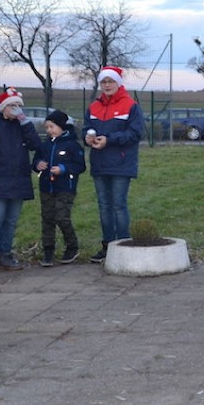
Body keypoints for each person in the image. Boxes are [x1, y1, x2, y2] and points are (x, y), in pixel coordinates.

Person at [0, 88, 41, 275]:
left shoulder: (22, 126)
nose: (16, 109)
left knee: (11, 220)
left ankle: (4, 254)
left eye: (19, 106)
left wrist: (25, 123)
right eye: (12, 105)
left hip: (18, 179)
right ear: (3, 107)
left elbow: (36, 145)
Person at [83, 66, 144, 263]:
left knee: (118, 205)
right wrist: (88, 137)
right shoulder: (93, 107)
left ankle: (123, 245)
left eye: (110, 81)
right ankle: (108, 245)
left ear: (118, 83)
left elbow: (135, 134)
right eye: (104, 82)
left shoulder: (131, 106)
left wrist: (109, 140)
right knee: (103, 206)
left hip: (121, 163)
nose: (107, 85)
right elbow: (86, 128)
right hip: (99, 163)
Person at [32, 111, 86, 266]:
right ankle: (48, 250)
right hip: (46, 187)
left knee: (62, 217)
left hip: (65, 188)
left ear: (62, 127)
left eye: (52, 126)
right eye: (47, 127)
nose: (49, 130)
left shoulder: (72, 145)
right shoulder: (45, 145)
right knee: (47, 218)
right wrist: (38, 165)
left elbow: (80, 165)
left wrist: (63, 168)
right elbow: (36, 161)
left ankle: (72, 246)